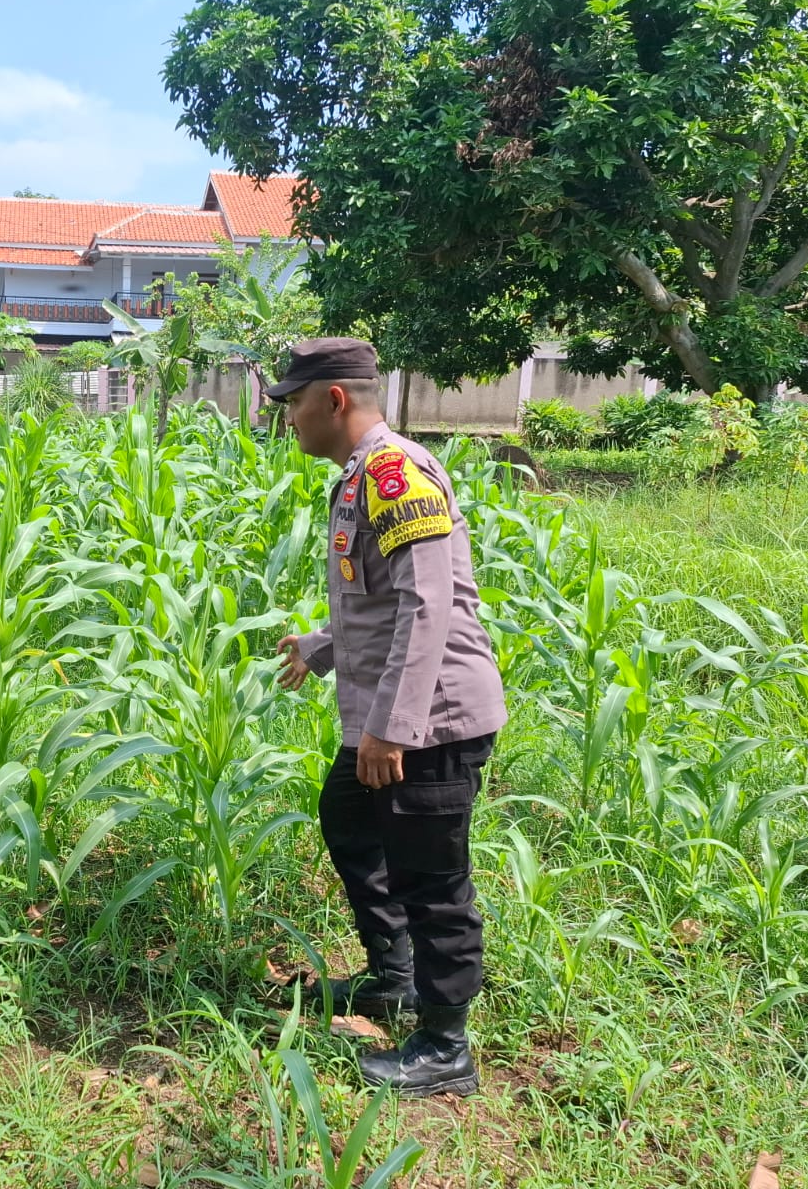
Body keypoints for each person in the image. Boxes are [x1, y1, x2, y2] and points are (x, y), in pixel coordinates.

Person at [269, 337, 507, 1098]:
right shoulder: (360, 476)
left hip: (429, 720)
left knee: (431, 877)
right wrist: (322, 646)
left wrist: (391, 730)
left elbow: (428, 605)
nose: (287, 418)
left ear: (333, 399)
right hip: (390, 713)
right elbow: (380, 600)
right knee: (348, 816)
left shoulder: (395, 473)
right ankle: (395, 976)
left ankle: (446, 1047)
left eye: (293, 403)